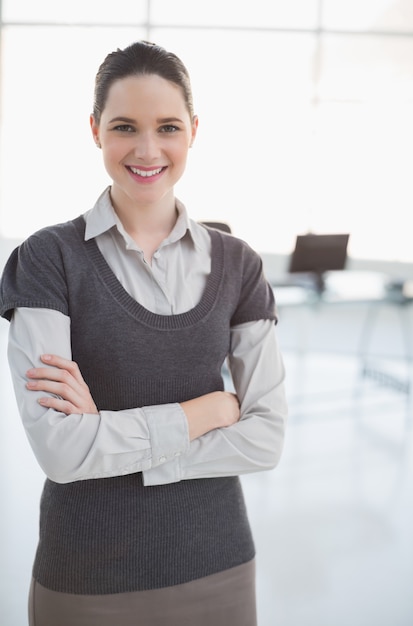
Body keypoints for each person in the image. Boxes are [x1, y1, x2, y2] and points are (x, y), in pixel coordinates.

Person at [0, 41, 287, 626]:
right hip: (86, 576)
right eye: (126, 126)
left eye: (169, 127)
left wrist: (110, 439)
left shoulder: (239, 265)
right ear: (95, 130)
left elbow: (267, 439)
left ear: (194, 131)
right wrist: (207, 411)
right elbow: (60, 451)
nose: (148, 149)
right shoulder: (47, 259)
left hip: (220, 566)